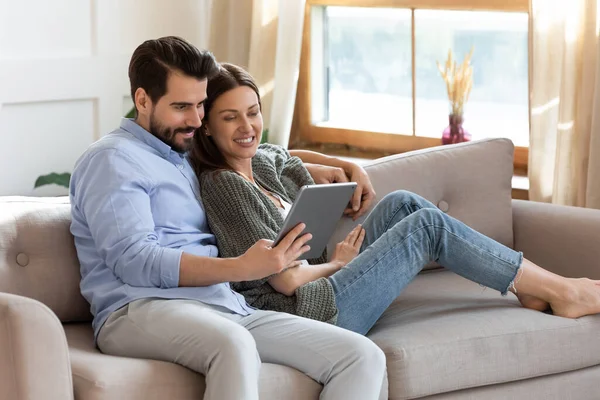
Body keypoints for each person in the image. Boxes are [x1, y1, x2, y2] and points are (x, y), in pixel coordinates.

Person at [69, 36, 389, 400]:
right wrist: (242, 267)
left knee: (361, 355)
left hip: (223, 305)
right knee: (234, 344)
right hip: (139, 308)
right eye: (180, 107)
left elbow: (262, 151)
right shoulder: (113, 159)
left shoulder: (180, 151)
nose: (194, 119)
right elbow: (135, 261)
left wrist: (340, 165)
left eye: (200, 105)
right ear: (142, 100)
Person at [192, 62, 600, 337]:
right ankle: (563, 291)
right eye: (230, 117)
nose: (247, 127)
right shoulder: (225, 184)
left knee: (403, 202)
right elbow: (282, 279)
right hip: (309, 309)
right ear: (206, 125)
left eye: (253, 112)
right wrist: (338, 263)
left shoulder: (259, 161)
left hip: (326, 279)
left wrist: (347, 167)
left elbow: (285, 153)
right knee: (425, 226)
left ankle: (531, 287)